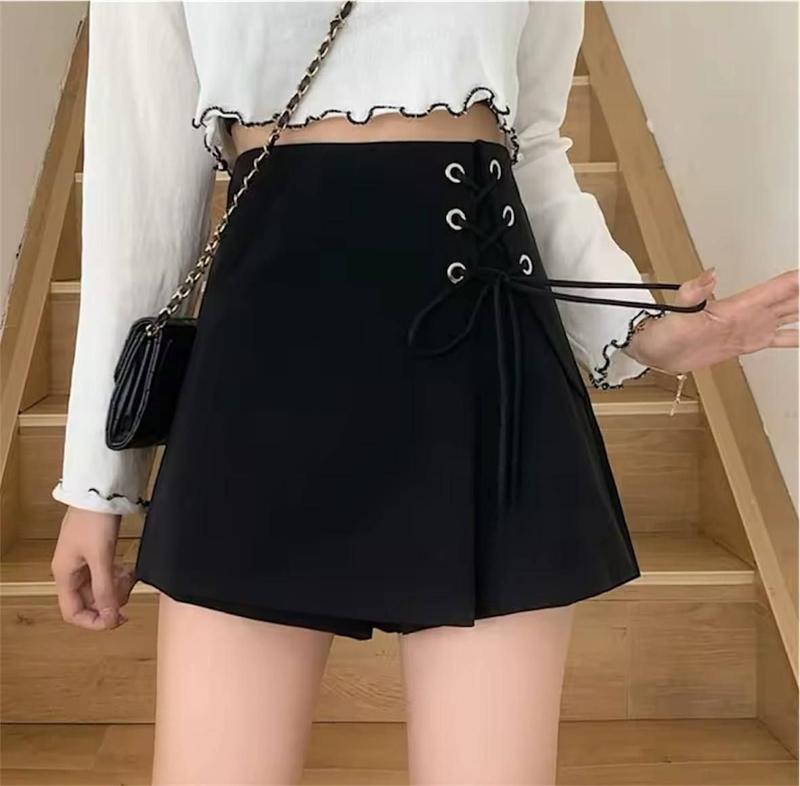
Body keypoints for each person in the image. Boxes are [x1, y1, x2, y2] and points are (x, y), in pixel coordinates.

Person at [49, 2, 798, 784]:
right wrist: (98, 485)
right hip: (264, 360)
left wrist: (643, 328)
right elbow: (138, 180)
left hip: (485, 355)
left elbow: (529, 146)